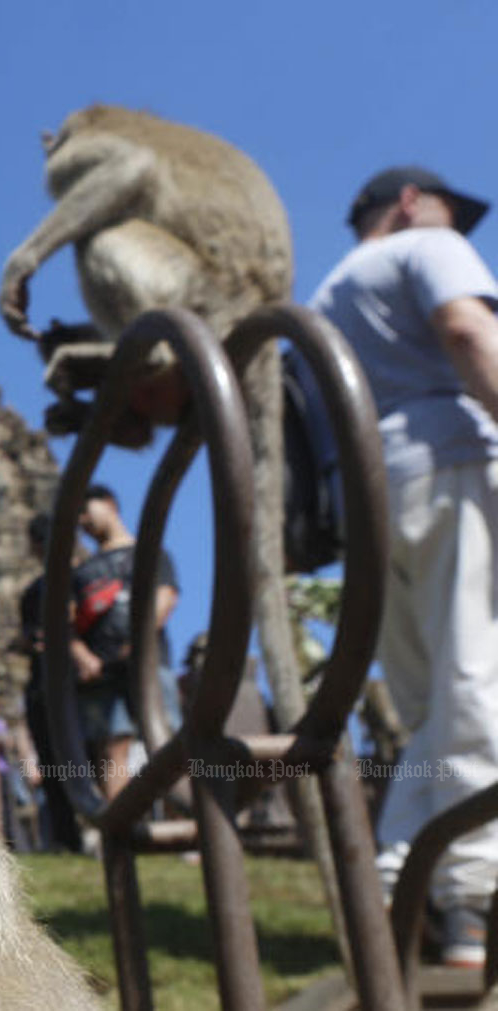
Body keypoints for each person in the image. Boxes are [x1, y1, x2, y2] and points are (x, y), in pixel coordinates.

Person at [310, 165, 498, 968]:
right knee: (478, 676)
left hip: (368, 501)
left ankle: (397, 891)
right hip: (451, 463)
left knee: (430, 706)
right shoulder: (430, 243)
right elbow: (468, 330)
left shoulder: (325, 298)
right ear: (414, 203)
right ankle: (472, 902)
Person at [70, 484, 180, 800]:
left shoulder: (149, 552)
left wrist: (137, 641)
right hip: (102, 673)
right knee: (112, 746)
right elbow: (69, 626)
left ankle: (186, 831)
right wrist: (83, 657)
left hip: (150, 664)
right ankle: (122, 836)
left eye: (86, 510)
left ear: (109, 504)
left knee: (167, 740)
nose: (82, 521)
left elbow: (166, 596)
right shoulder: (84, 571)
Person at [18, 513, 84, 853]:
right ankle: (66, 839)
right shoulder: (33, 593)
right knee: (55, 766)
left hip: (80, 684)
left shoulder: (83, 579)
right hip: (45, 686)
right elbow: (27, 637)